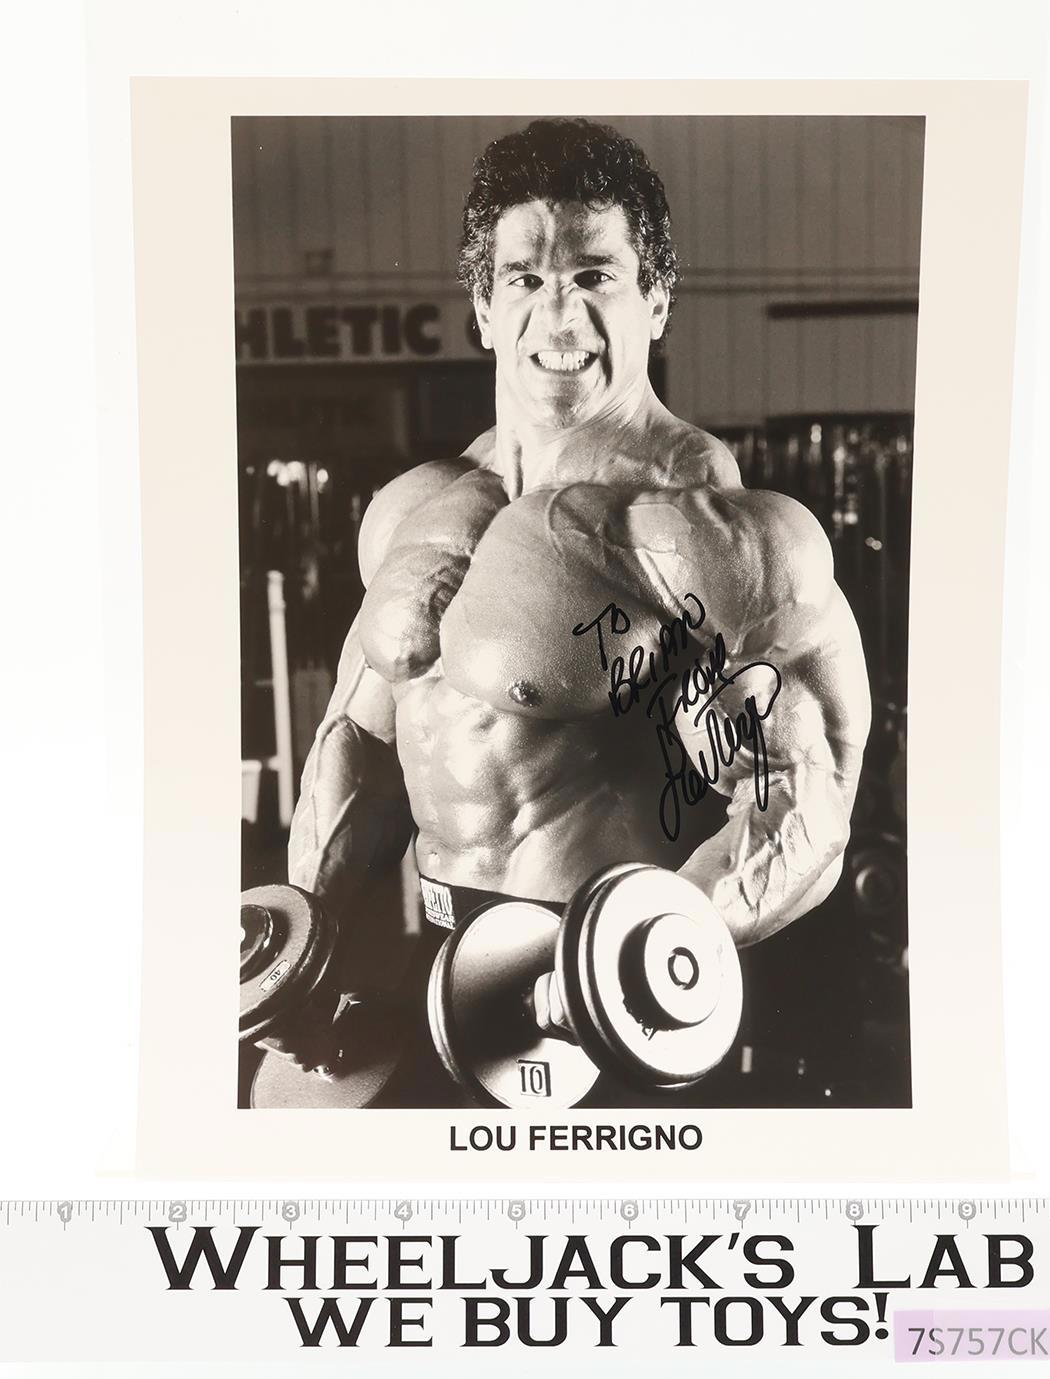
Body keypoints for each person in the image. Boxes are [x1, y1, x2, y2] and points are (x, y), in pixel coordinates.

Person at [269, 118, 871, 1090]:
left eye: (595, 276)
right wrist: (308, 939)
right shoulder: (414, 510)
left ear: (657, 299)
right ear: (482, 305)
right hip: (443, 989)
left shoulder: (702, 533)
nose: (559, 319)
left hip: (609, 1017)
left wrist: (630, 972)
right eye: (526, 279)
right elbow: (359, 741)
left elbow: (806, 799)